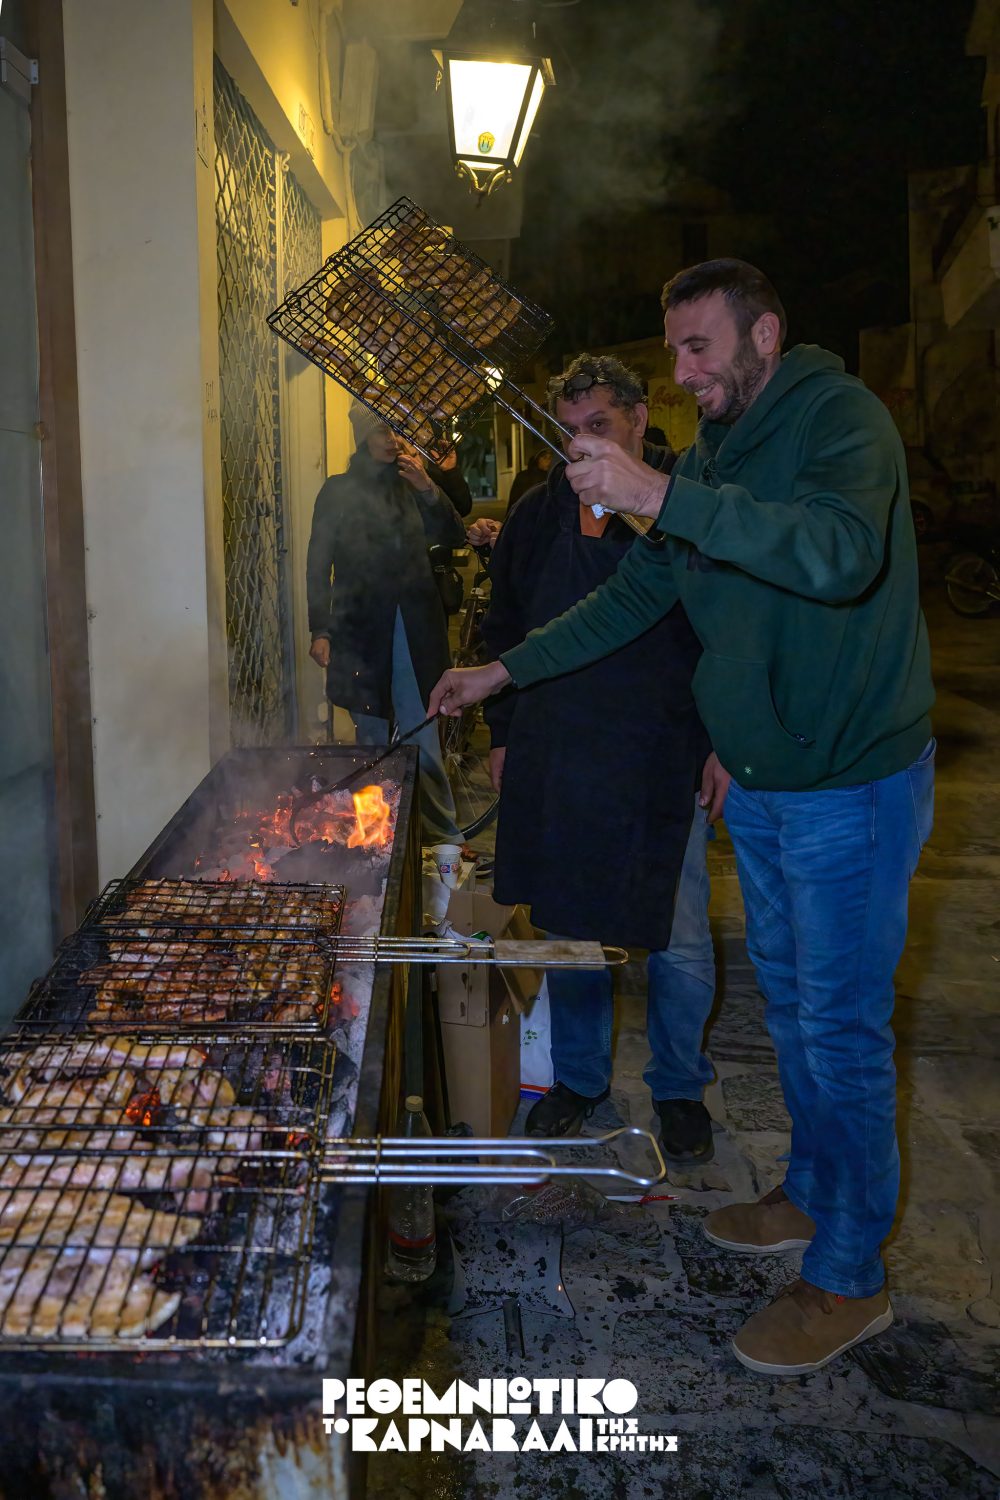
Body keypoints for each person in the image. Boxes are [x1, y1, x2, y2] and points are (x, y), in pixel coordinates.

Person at [428, 259, 935, 1378]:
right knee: (796, 1009)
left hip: (847, 782)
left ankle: (849, 1277)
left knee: (843, 1031)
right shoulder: (717, 452)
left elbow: (837, 555)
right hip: (761, 780)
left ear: (765, 333)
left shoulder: (837, 419)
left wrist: (660, 495)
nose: (685, 372)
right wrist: (498, 671)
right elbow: (634, 597)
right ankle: (810, 1194)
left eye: (702, 348)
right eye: (676, 353)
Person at [481, 354, 719, 1163]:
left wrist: (717, 747)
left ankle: (680, 1088)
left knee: (676, 931)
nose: (581, 447)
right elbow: (504, 625)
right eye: (569, 431)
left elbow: (725, 632)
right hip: (556, 749)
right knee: (570, 928)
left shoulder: (682, 507)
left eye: (600, 428)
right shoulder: (536, 515)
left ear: (641, 421)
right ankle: (580, 1081)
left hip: (663, 749)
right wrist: (503, 734)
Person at [307, 402, 465, 844]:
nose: (392, 438)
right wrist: (320, 628)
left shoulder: (412, 482)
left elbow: (455, 534)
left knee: (422, 725)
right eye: (381, 429)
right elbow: (318, 562)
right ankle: (378, 838)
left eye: (397, 427)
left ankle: (440, 837)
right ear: (361, 435)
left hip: (415, 625)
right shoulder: (338, 490)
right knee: (372, 736)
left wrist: (429, 488)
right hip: (359, 626)